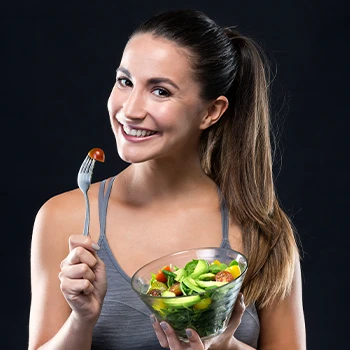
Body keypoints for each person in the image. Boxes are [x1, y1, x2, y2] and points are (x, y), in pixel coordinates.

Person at [28, 9, 306, 350]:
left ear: (211, 112)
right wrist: (81, 319)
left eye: (160, 92)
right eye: (125, 81)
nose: (130, 110)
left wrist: (227, 347)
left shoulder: (264, 229)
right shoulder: (63, 218)